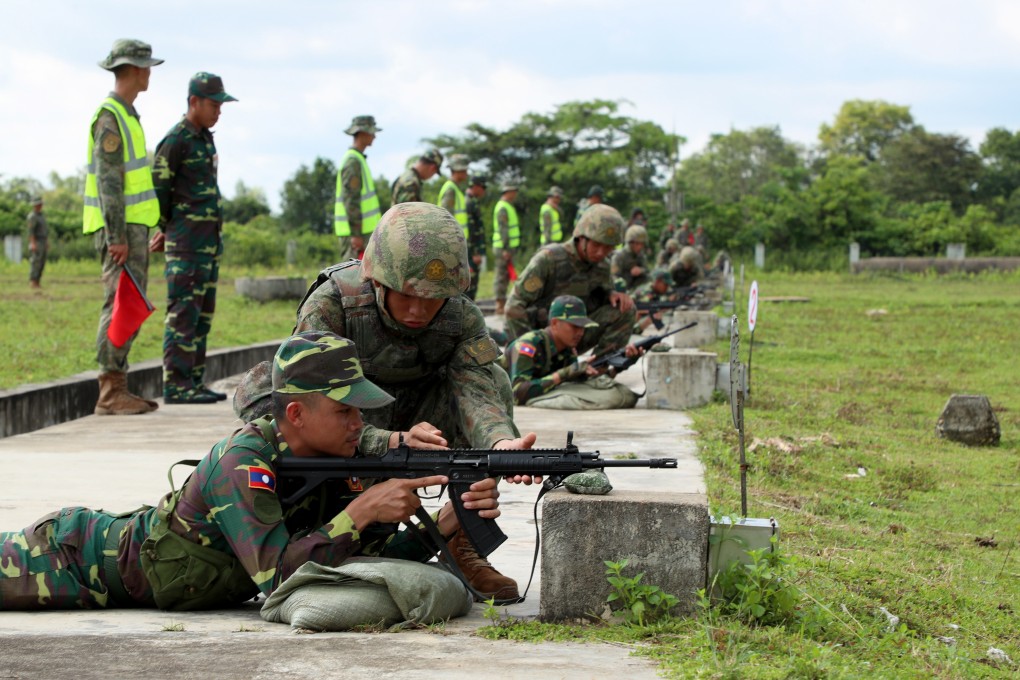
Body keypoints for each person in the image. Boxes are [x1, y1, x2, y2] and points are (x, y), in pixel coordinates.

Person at [0, 331, 509, 611]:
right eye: (345, 411)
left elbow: (345, 567)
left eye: (361, 410)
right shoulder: (242, 460)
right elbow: (278, 578)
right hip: (70, 558)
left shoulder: (340, 463)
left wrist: (439, 529)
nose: (360, 423)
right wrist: (357, 513)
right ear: (295, 415)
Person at [232, 202, 533, 602]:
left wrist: (499, 445)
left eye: (434, 299)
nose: (418, 310)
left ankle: (463, 542)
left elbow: (475, 390)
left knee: (496, 380)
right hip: (348, 421)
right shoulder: (332, 304)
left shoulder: (461, 317)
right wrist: (384, 441)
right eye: (407, 294)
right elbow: (309, 396)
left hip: (423, 426)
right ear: (377, 278)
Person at [82, 38, 164, 416]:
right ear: (132, 69)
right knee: (118, 305)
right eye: (146, 66)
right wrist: (116, 237)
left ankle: (117, 386)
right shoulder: (111, 116)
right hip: (120, 232)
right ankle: (109, 389)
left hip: (133, 229)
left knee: (129, 305)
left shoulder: (128, 115)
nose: (149, 73)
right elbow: (109, 182)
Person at [152, 72, 238, 404]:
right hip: (185, 244)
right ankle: (176, 385)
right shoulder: (176, 140)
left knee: (201, 316)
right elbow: (159, 188)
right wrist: (162, 227)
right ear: (194, 102)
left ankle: (194, 381)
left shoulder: (204, 138)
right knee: (182, 314)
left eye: (220, 104)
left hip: (207, 244)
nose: (218, 110)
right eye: (214, 104)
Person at [505, 204, 637, 359]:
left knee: (625, 309)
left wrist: (611, 294)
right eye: (596, 244)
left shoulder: (603, 266)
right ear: (581, 238)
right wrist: (531, 348)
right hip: (536, 343)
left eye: (608, 248)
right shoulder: (549, 259)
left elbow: (601, 295)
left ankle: (598, 367)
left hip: (571, 339)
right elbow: (514, 307)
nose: (601, 252)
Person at [502, 295, 638, 410]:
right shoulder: (528, 346)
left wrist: (620, 366)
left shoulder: (567, 348)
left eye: (582, 327)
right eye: (574, 326)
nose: (580, 333)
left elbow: (573, 382)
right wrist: (566, 372)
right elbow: (517, 394)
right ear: (554, 323)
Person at [335, 115, 382, 260]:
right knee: (352, 278)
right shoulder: (353, 161)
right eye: (371, 132)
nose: (374, 136)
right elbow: (351, 199)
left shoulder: (358, 159)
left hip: (363, 233)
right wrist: (356, 234)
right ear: (362, 133)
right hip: (356, 235)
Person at [492, 183, 520, 315]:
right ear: (508, 192)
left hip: (507, 248)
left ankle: (502, 303)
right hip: (503, 248)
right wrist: (505, 249)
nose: (515, 194)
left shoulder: (508, 206)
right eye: (514, 191)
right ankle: (499, 304)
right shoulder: (503, 207)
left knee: (506, 276)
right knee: (501, 276)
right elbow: (504, 229)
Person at [611, 225, 651, 292]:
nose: (640, 247)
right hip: (622, 291)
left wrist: (641, 270)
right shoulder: (619, 257)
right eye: (637, 244)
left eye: (642, 244)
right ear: (630, 243)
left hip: (638, 291)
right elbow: (613, 277)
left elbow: (647, 271)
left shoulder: (641, 256)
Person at [26, 197, 47, 288]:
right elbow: (31, 231)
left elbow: (45, 230)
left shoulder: (41, 216)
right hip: (36, 241)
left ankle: (38, 281)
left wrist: (46, 242)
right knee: (35, 262)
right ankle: (33, 280)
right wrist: (33, 243)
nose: (40, 205)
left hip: (42, 240)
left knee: (42, 262)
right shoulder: (32, 216)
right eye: (39, 204)